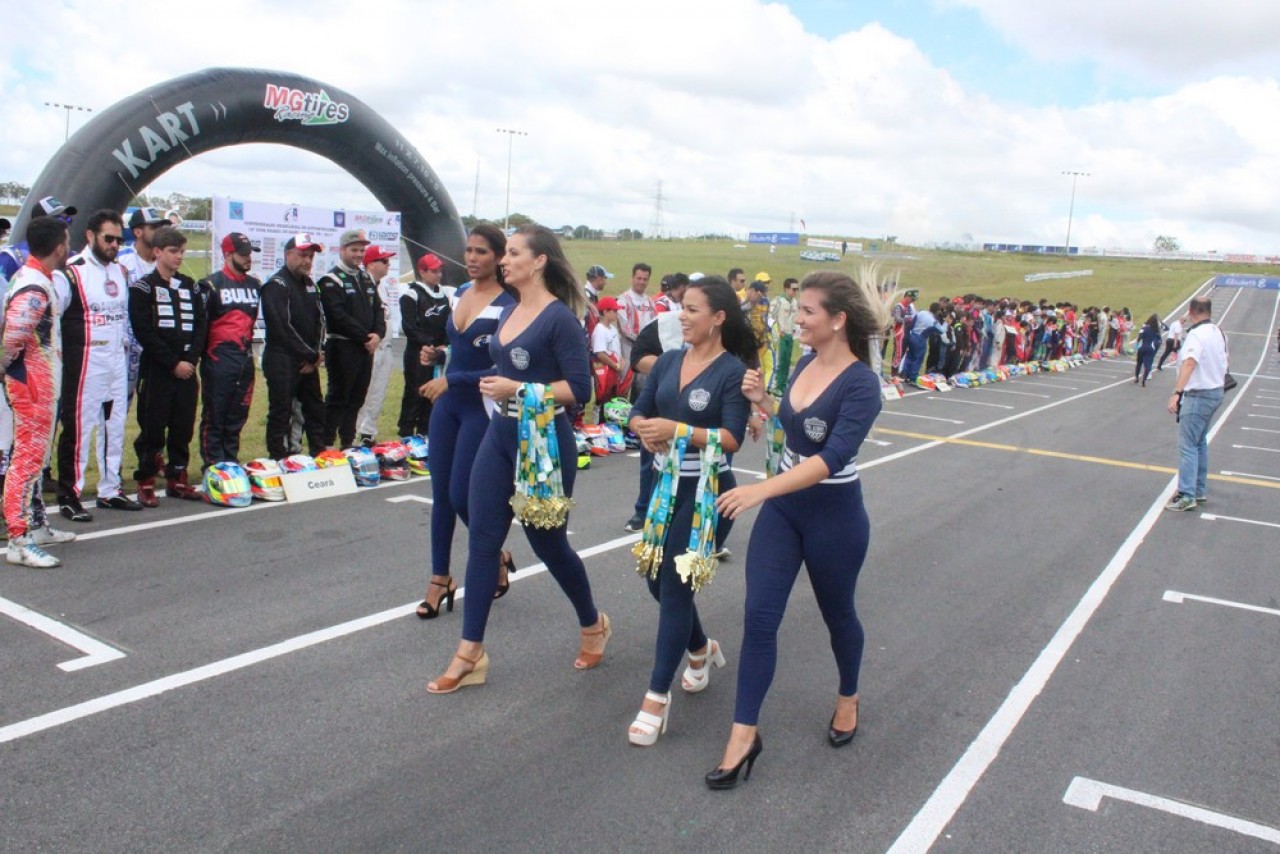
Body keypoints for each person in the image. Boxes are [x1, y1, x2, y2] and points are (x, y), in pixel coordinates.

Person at [707, 270, 889, 789]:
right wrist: (764, 402)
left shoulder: (862, 385)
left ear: (838, 320)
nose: (798, 320)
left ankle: (848, 695)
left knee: (838, 615)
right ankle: (743, 735)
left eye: (808, 311)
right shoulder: (806, 362)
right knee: (759, 618)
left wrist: (760, 489)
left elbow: (831, 457)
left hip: (834, 516)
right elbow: (797, 427)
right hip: (784, 514)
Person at [427, 225, 607, 694]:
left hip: (543, 442)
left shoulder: (559, 319)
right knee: (483, 542)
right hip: (500, 435)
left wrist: (519, 389)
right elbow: (502, 368)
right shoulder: (509, 309)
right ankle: (470, 652)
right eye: (503, 253)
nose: (503, 261)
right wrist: (469, 376)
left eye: (512, 253)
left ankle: (592, 623)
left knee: (550, 546)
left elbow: (580, 389)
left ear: (539, 261)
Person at [625, 275, 752, 746]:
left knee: (676, 585)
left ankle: (656, 698)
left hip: (709, 492)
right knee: (656, 581)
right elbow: (638, 409)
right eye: (683, 307)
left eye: (693, 309)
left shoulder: (733, 372)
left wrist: (677, 431)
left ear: (718, 318)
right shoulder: (668, 361)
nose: (683, 316)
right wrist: (642, 428)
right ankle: (700, 648)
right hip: (666, 487)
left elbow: (732, 438)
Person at [415, 225, 516, 619]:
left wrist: (451, 379)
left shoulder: (509, 303)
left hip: (480, 407)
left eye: (482, 252)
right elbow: (459, 348)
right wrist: (437, 355)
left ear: (499, 257)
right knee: (440, 495)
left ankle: (493, 553)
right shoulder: (458, 292)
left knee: (461, 495)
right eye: (469, 250)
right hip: (447, 406)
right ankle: (439, 579)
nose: (472, 258)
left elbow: (502, 368)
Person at [54, 209, 136, 518]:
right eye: (108, 238)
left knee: (114, 426)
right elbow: (54, 319)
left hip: (116, 360)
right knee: (79, 428)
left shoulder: (121, 272)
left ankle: (110, 489)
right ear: (90, 236)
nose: (114, 245)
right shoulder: (72, 272)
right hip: (84, 362)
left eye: (119, 239)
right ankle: (69, 494)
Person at [3, 216, 76, 567]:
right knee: (27, 460)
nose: (69, 247)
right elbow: (12, 338)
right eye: (67, 241)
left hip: (41, 381)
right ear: (59, 246)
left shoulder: (37, 277)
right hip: (31, 383)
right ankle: (18, 540)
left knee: (36, 459)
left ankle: (35, 524)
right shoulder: (33, 285)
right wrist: (8, 370)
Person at [129, 227, 207, 502]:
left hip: (187, 368)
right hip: (157, 369)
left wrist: (190, 360)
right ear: (157, 252)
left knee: (183, 427)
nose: (179, 257)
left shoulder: (190, 285)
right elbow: (143, 331)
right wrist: (173, 363)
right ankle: (146, 481)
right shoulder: (143, 287)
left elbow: (201, 325)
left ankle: (178, 478)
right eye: (174, 251)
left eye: (182, 251)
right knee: (153, 426)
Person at [196, 232, 261, 472]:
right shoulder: (210, 284)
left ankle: (231, 461)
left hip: (245, 360)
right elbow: (201, 327)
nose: (248, 258)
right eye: (242, 254)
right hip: (218, 360)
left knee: (237, 415)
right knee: (215, 415)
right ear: (227, 254)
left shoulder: (255, 285)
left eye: (249, 253)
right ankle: (213, 464)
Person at [260, 233, 327, 460]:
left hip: (308, 359)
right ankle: (279, 457)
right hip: (282, 359)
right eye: (302, 255)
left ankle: (319, 452)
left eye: (311, 256)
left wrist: (316, 354)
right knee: (282, 410)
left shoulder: (310, 284)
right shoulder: (276, 285)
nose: (307, 261)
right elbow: (281, 327)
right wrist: (309, 354)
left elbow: (320, 321)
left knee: (315, 407)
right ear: (288, 254)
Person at [318, 229, 384, 449]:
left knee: (357, 398)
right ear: (342, 250)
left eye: (362, 250)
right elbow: (338, 316)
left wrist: (378, 334)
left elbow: (378, 310)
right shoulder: (331, 280)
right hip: (342, 346)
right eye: (354, 250)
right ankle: (326, 444)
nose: (358, 254)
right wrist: (365, 337)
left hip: (366, 348)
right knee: (338, 397)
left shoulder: (366, 278)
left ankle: (347, 443)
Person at [1166, 297, 1227, 512]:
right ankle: (1198, 490)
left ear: (1191, 312)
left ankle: (1187, 494)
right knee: (1199, 443)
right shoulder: (1218, 331)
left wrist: (1177, 392)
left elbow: (1190, 363)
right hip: (1215, 390)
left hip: (1198, 393)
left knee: (1188, 445)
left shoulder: (1196, 335)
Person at [397, 253, 450, 438]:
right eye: (434, 271)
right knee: (415, 393)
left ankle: (425, 432)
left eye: (440, 271)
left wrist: (444, 345)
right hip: (417, 352)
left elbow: (447, 323)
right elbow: (409, 327)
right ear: (422, 272)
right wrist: (428, 344)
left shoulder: (444, 294)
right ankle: (406, 432)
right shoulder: (412, 294)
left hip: (437, 352)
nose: (438, 275)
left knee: (432, 393)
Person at [354, 243, 399, 445]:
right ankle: (354, 434)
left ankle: (368, 433)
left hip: (385, 347)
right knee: (364, 392)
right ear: (370, 264)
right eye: (384, 260)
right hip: (369, 347)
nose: (388, 264)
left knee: (378, 393)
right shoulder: (362, 285)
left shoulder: (384, 287)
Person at [590, 296, 633, 414]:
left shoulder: (612, 328)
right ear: (605, 312)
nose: (616, 313)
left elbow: (616, 348)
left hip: (614, 371)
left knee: (613, 401)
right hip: (606, 372)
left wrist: (621, 359)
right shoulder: (600, 330)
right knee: (603, 401)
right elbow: (600, 353)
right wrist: (615, 365)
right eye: (614, 311)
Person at [617, 262, 655, 368]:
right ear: (632, 278)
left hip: (647, 352)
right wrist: (642, 342)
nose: (642, 282)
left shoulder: (650, 302)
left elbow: (655, 324)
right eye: (639, 278)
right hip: (628, 350)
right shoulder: (623, 300)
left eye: (645, 279)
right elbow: (625, 328)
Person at [767, 278, 799, 395]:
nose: (795, 292)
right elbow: (770, 317)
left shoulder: (795, 303)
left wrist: (795, 331)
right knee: (779, 362)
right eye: (793, 289)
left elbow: (796, 318)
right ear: (786, 288)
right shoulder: (778, 301)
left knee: (786, 362)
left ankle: (782, 386)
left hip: (790, 336)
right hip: (780, 336)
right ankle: (775, 386)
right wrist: (776, 331)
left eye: (797, 289)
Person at [1133, 313, 1161, 386]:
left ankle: (1136, 377)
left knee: (1139, 363)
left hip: (1142, 347)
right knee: (1148, 365)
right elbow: (1159, 340)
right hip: (1150, 348)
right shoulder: (1156, 330)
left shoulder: (1144, 328)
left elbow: (1139, 338)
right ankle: (1144, 379)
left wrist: (1135, 348)